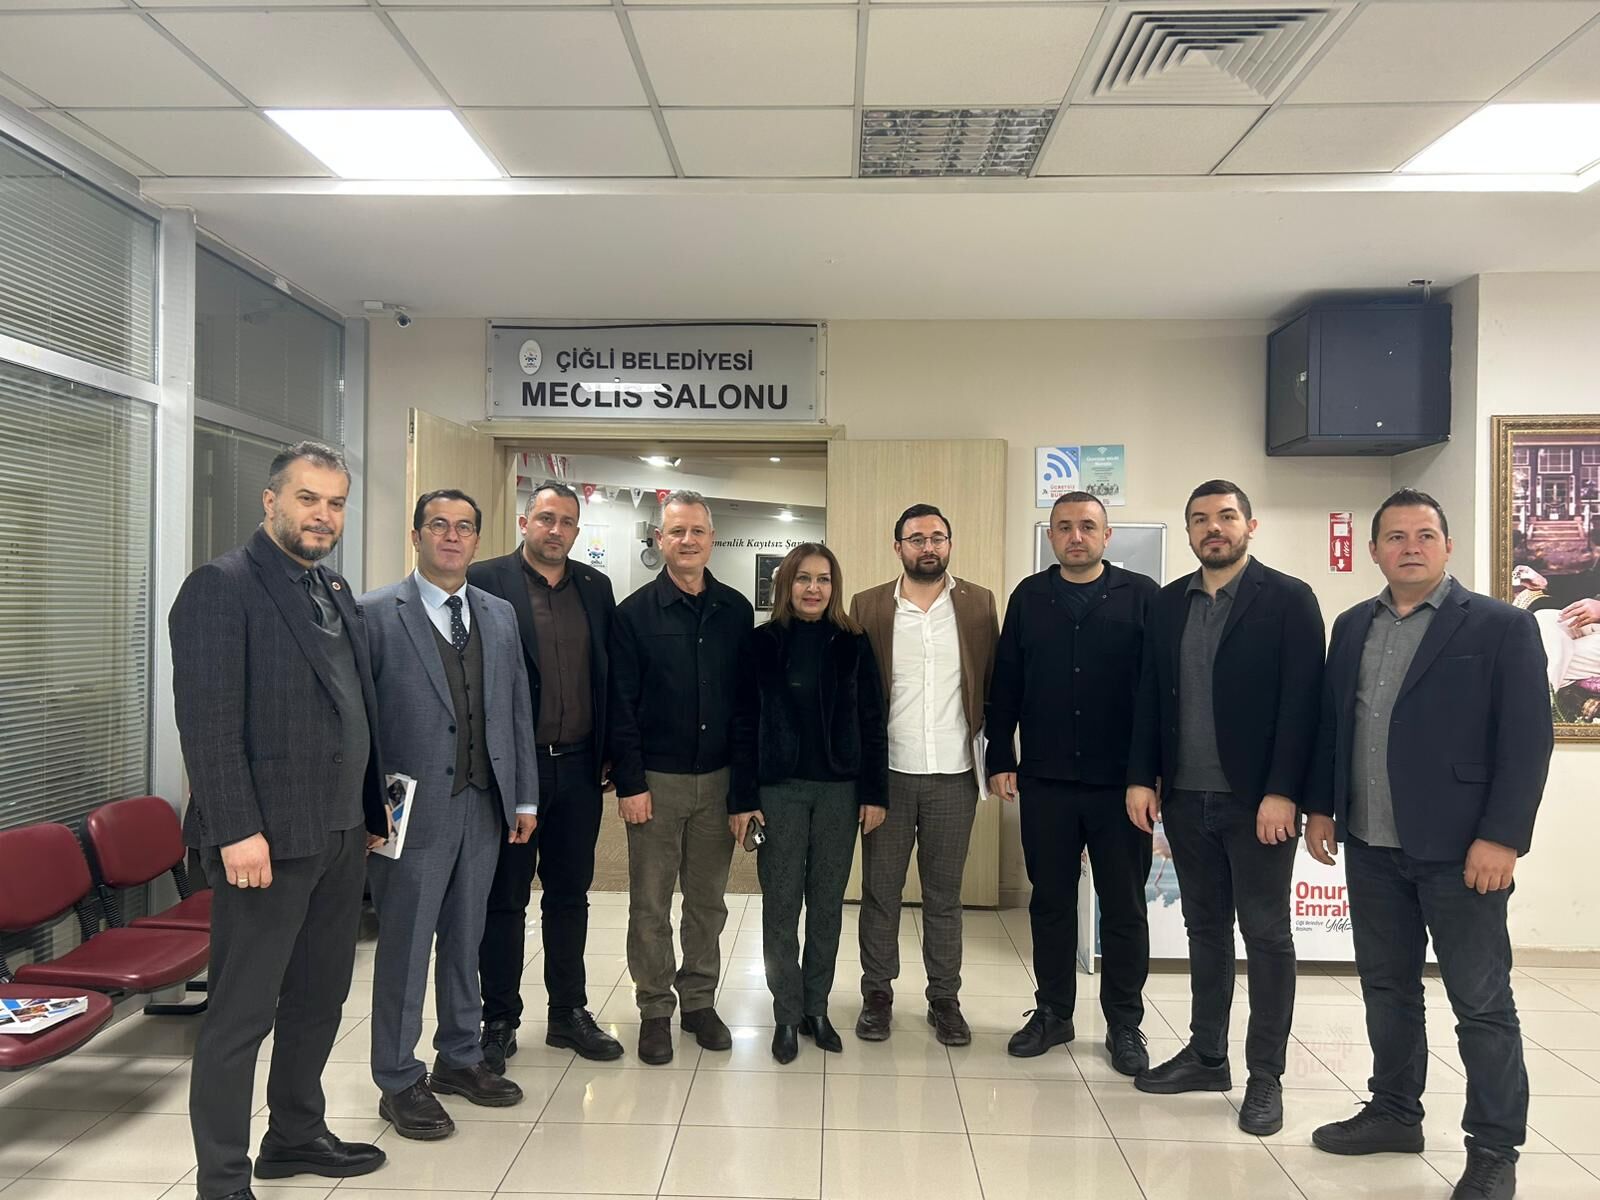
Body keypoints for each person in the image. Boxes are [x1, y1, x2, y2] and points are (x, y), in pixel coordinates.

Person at [1304, 490, 1553, 1200]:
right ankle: (1393, 1112)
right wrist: (1322, 808)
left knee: (1482, 1003)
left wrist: (1502, 837)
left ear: (1447, 545)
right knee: (1388, 988)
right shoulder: (1353, 625)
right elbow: (1334, 726)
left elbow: (1527, 741)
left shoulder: (1501, 626)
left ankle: (1494, 1148)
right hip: (1370, 843)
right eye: (1395, 536)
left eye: (1423, 535)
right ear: (1374, 550)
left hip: (1463, 852)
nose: (1409, 546)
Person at [170, 441, 389, 1200]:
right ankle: (222, 1180)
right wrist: (235, 830)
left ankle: (294, 1134)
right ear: (271, 501)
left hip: (340, 835)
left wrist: (369, 811)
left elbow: (353, 707)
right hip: (264, 840)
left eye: (335, 502)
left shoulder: (333, 587)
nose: (323, 515)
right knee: (241, 1014)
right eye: (307, 498)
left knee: (320, 999)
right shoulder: (221, 586)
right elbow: (207, 726)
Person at [1125, 479, 1323, 1137]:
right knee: (1205, 931)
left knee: (1265, 935)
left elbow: (1303, 703)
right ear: (1188, 532)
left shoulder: (1289, 599)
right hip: (1185, 798)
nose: (1214, 528)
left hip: (1258, 803)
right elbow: (1149, 694)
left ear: (1249, 526)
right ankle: (1207, 1055)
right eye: (1201, 519)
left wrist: (1283, 792)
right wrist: (1141, 777)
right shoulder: (1167, 603)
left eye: (1227, 516)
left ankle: (1266, 1076)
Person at [362, 490, 539, 1137]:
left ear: (477, 540)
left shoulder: (497, 614)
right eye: (438, 525)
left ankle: (460, 1057)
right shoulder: (375, 613)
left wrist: (523, 797)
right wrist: (366, 809)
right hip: (407, 812)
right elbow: (359, 723)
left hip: (482, 805)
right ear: (417, 535)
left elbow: (515, 708)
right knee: (406, 948)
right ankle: (397, 1077)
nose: (452, 536)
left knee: (467, 940)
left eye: (464, 527)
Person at [986, 492, 1158, 1071]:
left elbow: (1157, 693)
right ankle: (1054, 1012)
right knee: (1051, 902)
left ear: (1107, 536)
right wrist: (1000, 756)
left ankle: (1124, 1024)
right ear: (1051, 537)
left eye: (1087, 526)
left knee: (1124, 907)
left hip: (1121, 787)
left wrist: (1149, 773)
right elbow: (1006, 682)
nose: (1075, 536)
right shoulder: (1029, 597)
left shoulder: (1141, 596)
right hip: (1047, 780)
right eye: (1064, 527)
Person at [469, 481, 621, 1064]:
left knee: (569, 895)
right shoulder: (485, 581)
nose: (556, 530)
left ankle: (568, 1013)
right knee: (505, 898)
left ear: (577, 531)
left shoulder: (595, 587)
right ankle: (499, 1018)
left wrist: (611, 750)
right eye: (546, 518)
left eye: (567, 522)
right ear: (524, 522)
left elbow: (608, 674)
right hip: (515, 770)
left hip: (579, 767)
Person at [609, 490, 753, 1064]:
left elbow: (745, 708)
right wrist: (630, 784)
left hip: (718, 781)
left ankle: (698, 1001)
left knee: (707, 902)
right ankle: (653, 1009)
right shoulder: (633, 615)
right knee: (649, 903)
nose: (687, 540)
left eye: (697, 531)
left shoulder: (736, 611)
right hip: (656, 783)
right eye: (676, 532)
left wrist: (743, 791)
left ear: (712, 539)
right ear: (659, 540)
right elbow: (620, 706)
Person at [730, 544, 888, 1064]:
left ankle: (816, 1009)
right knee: (780, 906)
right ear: (786, 585)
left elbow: (872, 721)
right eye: (803, 579)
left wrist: (874, 793)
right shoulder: (761, 643)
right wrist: (743, 798)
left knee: (826, 906)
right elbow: (743, 724)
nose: (813, 588)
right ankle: (786, 1012)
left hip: (840, 793)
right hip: (779, 792)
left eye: (823, 579)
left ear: (834, 587)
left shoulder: (853, 643)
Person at [849, 503, 998, 1047]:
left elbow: (993, 685)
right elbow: (856, 696)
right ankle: (877, 995)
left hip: (955, 775)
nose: (928, 546)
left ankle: (944, 1000)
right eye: (916, 538)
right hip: (888, 775)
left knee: (944, 896)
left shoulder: (979, 603)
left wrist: (1000, 760)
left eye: (937, 537)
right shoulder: (868, 606)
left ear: (949, 544)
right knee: (880, 893)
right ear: (898, 548)